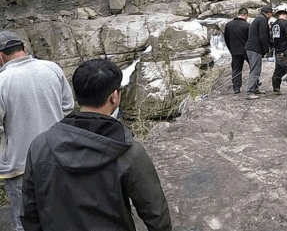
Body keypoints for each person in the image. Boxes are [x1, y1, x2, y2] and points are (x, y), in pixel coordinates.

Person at [20, 58, 172, 231]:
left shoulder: (39, 146)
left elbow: (29, 212)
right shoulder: (129, 152)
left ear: (76, 96)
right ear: (114, 96)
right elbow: (156, 214)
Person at [0, 31, 74, 231]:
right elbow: (68, 108)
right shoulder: (52, 68)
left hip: (20, 166)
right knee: (62, 215)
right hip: (57, 157)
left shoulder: (1, 81)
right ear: (24, 49)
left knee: (25, 222)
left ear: (0, 56)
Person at [245, 5, 273, 100]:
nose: (271, 15)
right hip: (255, 49)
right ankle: (249, 92)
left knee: (256, 69)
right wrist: (266, 50)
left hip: (251, 48)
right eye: (271, 13)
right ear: (268, 13)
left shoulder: (259, 18)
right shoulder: (262, 20)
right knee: (255, 70)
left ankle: (255, 88)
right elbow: (263, 36)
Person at [224, 7, 250, 94]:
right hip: (246, 50)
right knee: (253, 67)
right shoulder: (247, 25)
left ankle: (236, 88)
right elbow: (251, 39)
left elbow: (226, 39)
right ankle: (254, 85)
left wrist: (231, 49)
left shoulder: (228, 25)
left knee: (236, 70)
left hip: (234, 50)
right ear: (245, 15)